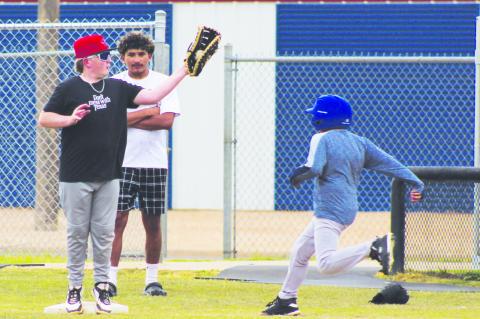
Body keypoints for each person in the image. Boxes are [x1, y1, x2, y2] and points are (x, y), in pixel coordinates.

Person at [38, 33, 190, 314]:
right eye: (103, 55)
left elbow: (155, 95)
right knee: (76, 234)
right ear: (87, 61)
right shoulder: (69, 88)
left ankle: (102, 291)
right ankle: (74, 291)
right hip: (75, 175)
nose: (109, 59)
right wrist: (70, 119)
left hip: (109, 174)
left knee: (104, 234)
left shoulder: (118, 87)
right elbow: (44, 118)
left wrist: (184, 69)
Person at [261, 95, 424, 316]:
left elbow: (314, 168)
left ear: (322, 118)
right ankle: (286, 300)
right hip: (347, 207)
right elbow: (390, 164)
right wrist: (415, 181)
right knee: (300, 251)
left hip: (330, 207)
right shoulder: (359, 141)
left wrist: (296, 176)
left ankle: (374, 246)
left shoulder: (321, 138)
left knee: (326, 264)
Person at [106, 31, 179, 297]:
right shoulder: (114, 83)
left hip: (154, 163)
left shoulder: (163, 83)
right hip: (121, 162)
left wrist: (129, 117)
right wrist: (148, 110)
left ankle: (152, 280)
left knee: (152, 223)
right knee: (116, 220)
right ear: (123, 58)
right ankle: (109, 280)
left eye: (141, 54)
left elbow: (167, 121)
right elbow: (111, 122)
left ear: (149, 56)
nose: (136, 60)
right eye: (131, 55)